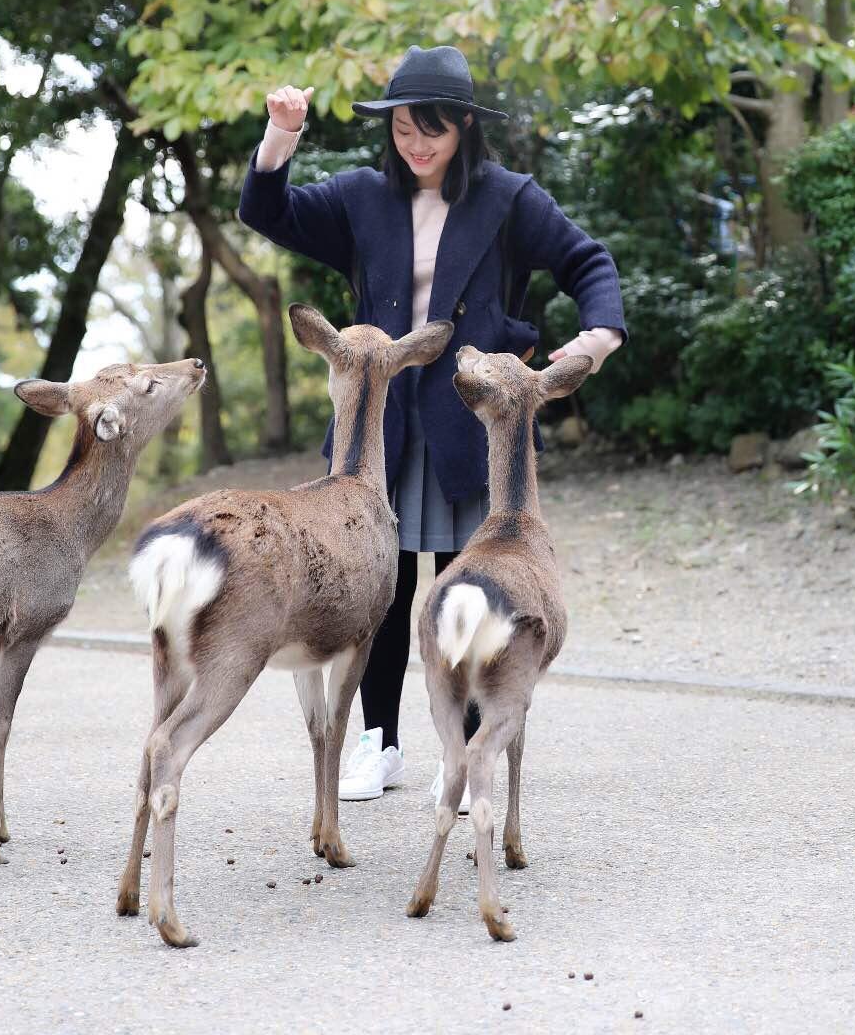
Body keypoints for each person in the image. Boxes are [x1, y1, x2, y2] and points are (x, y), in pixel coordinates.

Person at [238, 44, 627, 808]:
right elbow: (267, 211)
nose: (417, 145)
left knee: (465, 584)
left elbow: (589, 261)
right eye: (406, 130)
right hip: (377, 420)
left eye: (435, 132)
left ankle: (468, 749)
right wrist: (282, 134)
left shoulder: (510, 199)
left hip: (469, 419)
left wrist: (597, 338)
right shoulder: (358, 197)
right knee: (379, 589)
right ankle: (377, 743)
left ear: (465, 131)